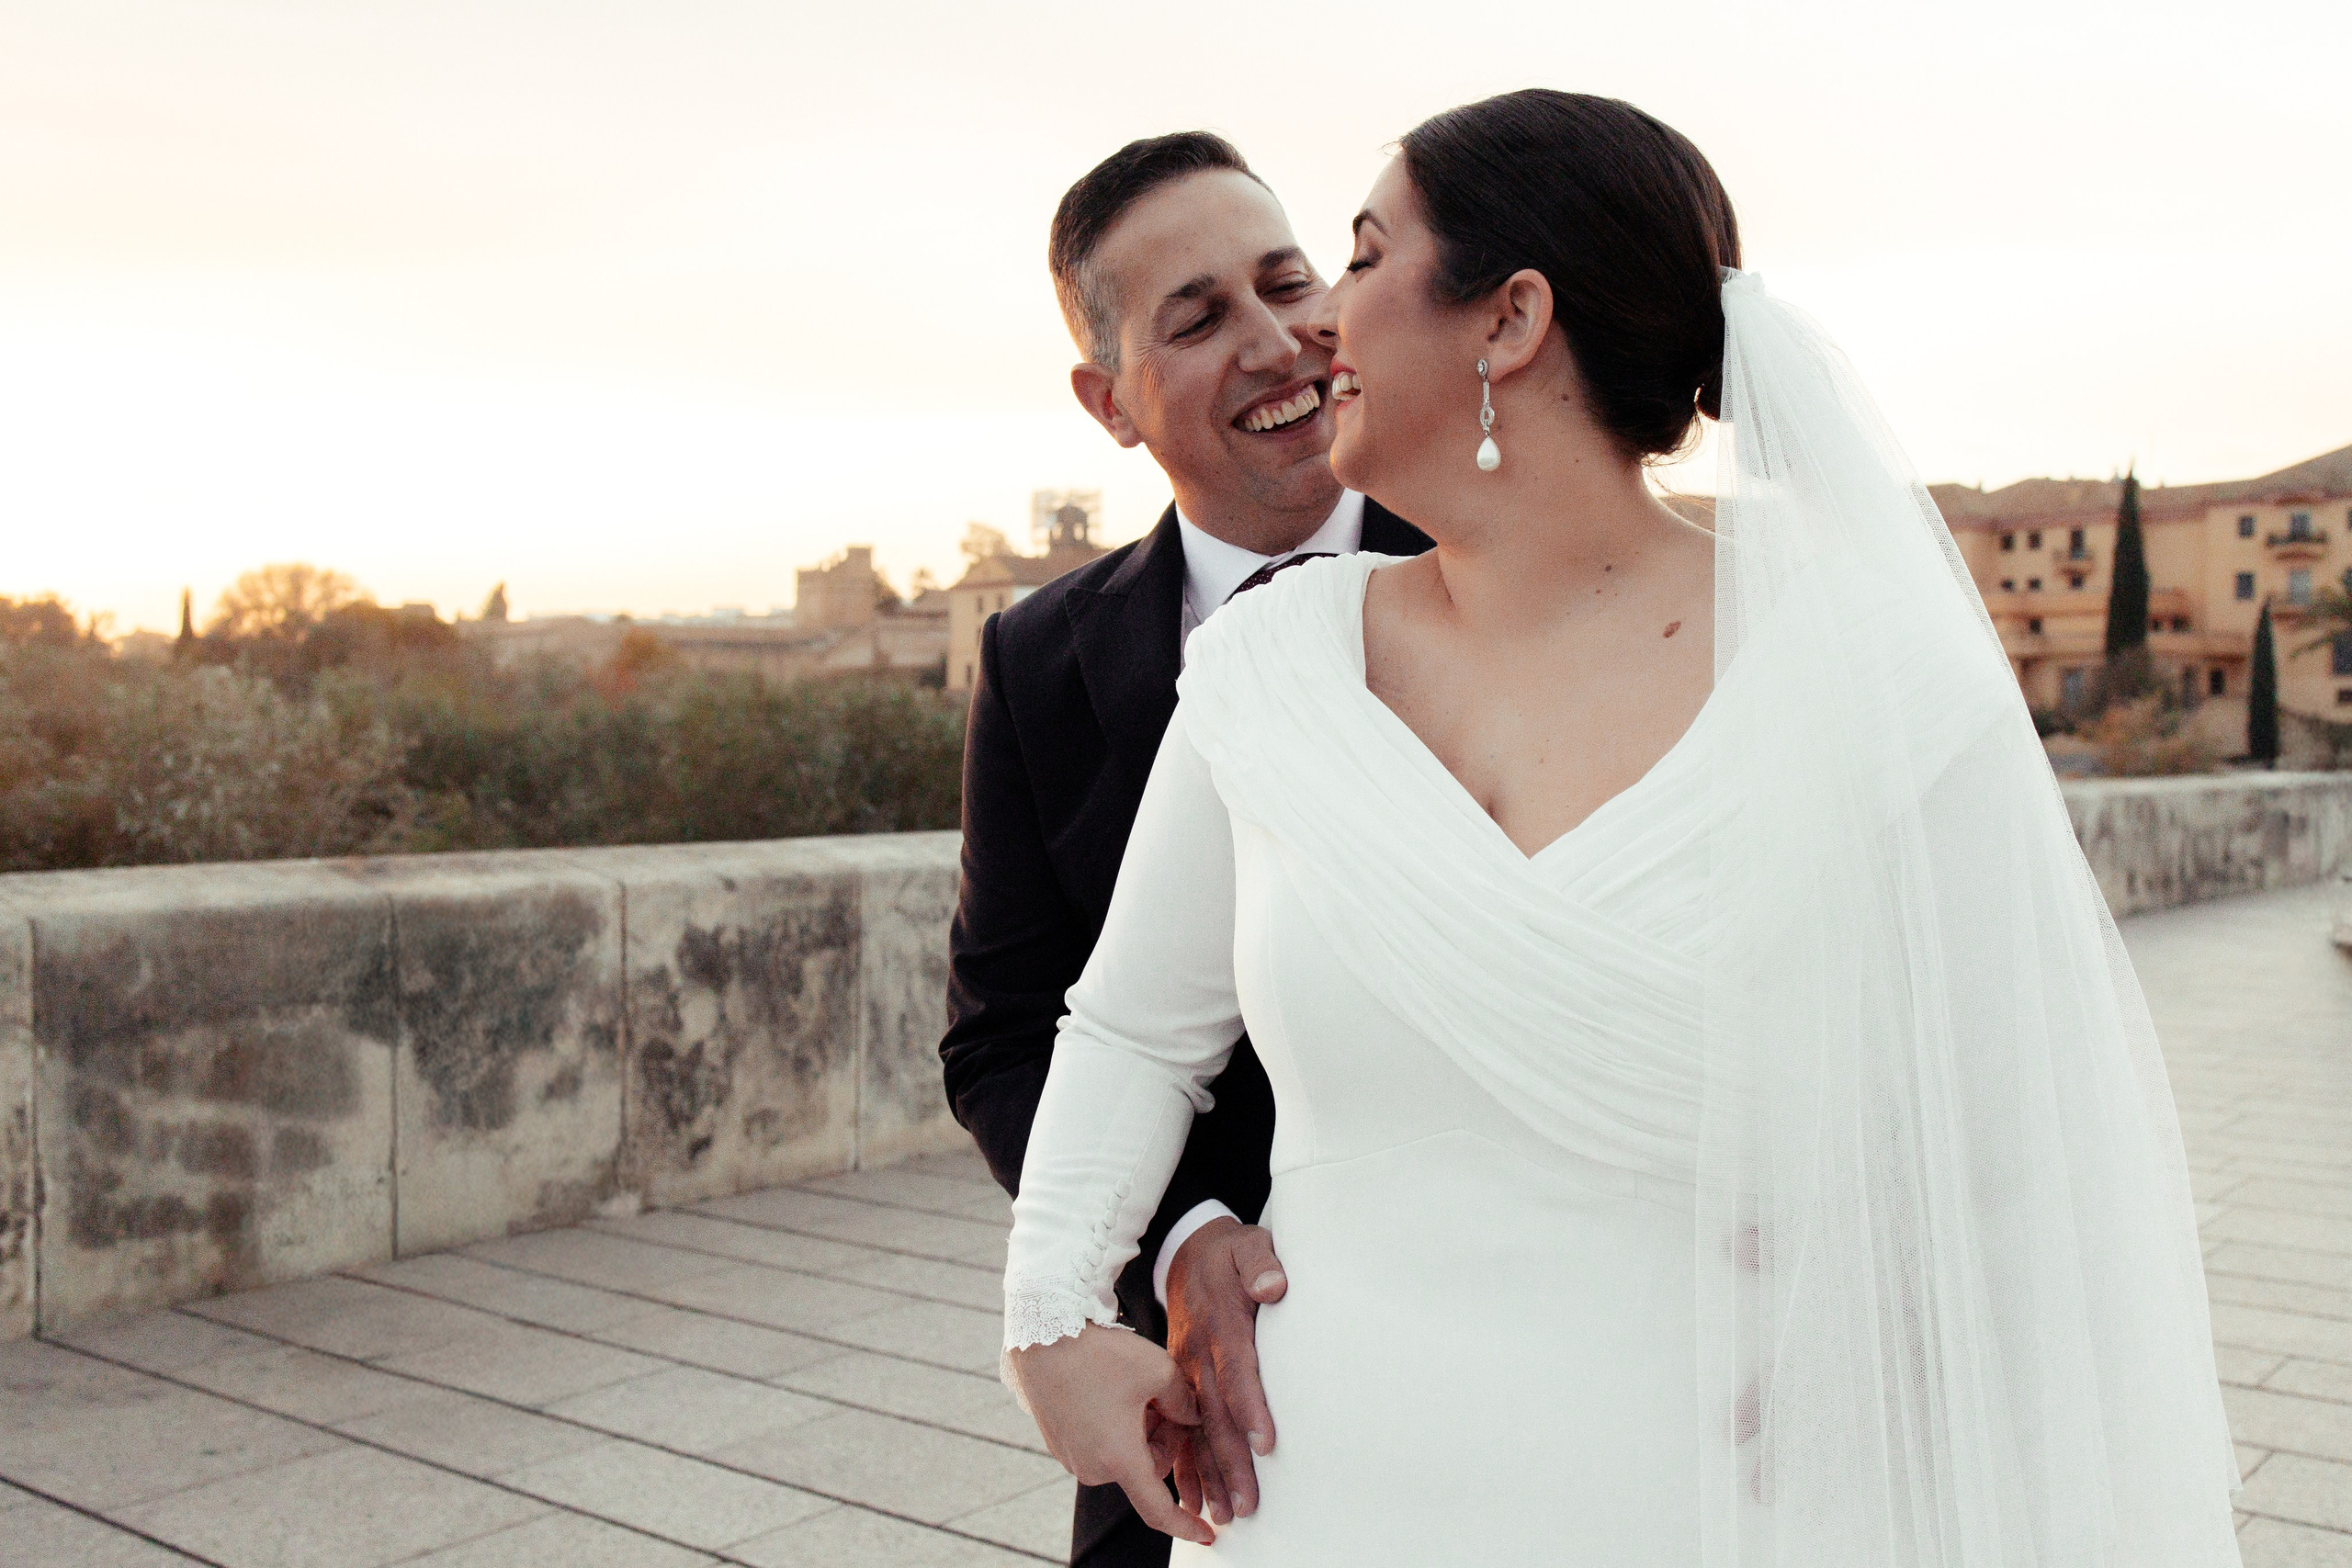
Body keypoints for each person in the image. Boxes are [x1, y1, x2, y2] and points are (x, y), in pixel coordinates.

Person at [1000, 91, 2245, 1563]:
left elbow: (2027, 1133)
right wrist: (1054, 1315)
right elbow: (1133, 1029)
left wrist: (1891, 1313)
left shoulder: (1866, 663)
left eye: (1362, 256)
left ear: (1509, 321)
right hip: (1334, 1489)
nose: (1321, 320)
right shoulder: (1274, 670)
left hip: (1743, 1491)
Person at [939, 131, 1431, 1567]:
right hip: (1198, 1398)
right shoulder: (1039, 661)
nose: (1281, 345)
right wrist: (1178, 1231)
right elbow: (1005, 1035)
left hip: (1470, 1328)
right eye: (1200, 317)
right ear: (1107, 401)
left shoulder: (1489, 571)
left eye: (1290, 284)